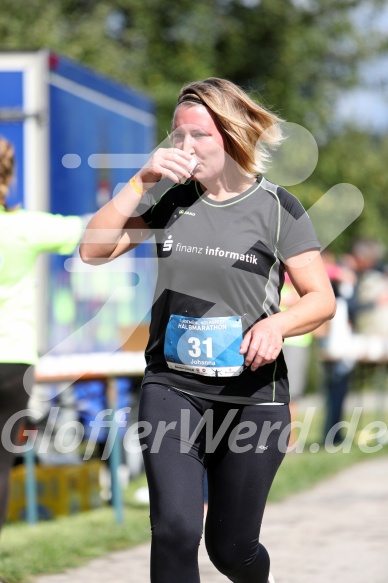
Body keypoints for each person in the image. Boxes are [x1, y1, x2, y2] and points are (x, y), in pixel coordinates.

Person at [80, 77, 335, 583]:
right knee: (174, 529)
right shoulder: (170, 201)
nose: (184, 146)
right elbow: (93, 250)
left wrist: (278, 325)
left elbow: (321, 298)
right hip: (172, 386)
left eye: (199, 135)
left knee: (232, 551)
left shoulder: (278, 209)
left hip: (253, 398)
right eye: (177, 136)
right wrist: (142, 180)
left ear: (233, 136)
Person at [0, 136, 83, 533]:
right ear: (9, 176)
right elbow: (90, 229)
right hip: (12, 361)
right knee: (1, 466)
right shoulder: (25, 228)